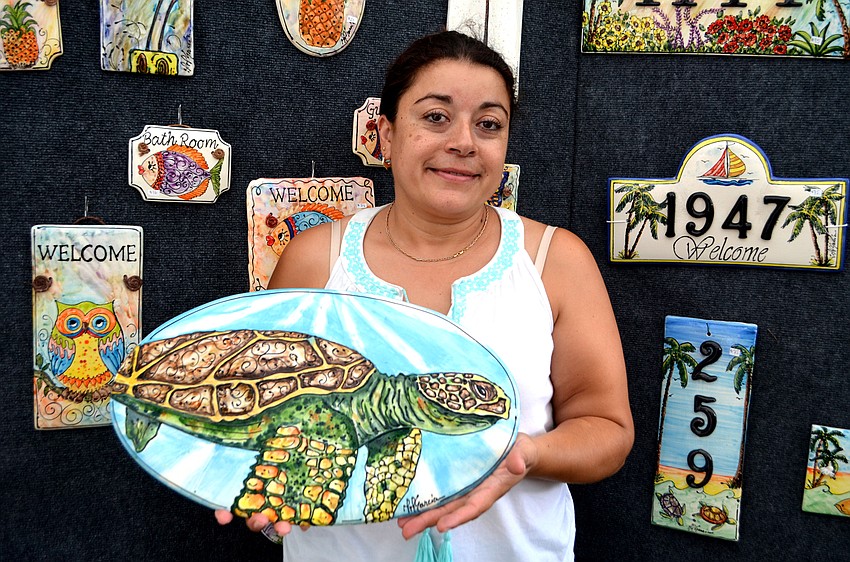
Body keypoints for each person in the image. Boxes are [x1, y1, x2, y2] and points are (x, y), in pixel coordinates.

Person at [217, 30, 633, 561]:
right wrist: (257, 479)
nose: (464, 141)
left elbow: (608, 429)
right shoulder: (316, 260)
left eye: (488, 124)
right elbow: (271, 410)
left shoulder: (555, 260)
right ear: (387, 136)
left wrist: (526, 454)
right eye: (436, 117)